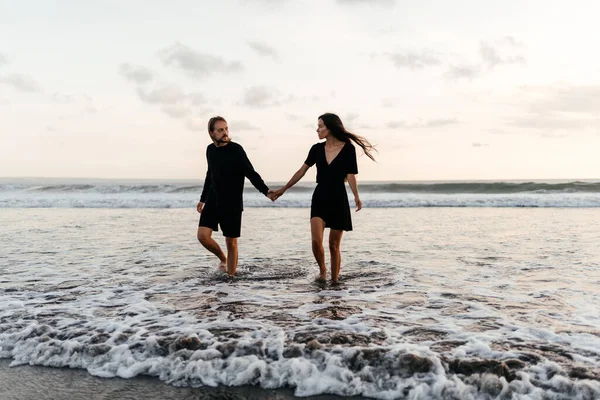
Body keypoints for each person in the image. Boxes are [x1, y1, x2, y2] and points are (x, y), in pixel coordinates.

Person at [270, 113, 376, 284]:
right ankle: (323, 271)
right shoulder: (316, 149)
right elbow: (301, 171)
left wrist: (356, 196)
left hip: (338, 199)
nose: (317, 129)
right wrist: (284, 189)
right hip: (320, 197)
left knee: (334, 246)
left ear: (330, 127)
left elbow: (350, 175)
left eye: (320, 126)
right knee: (315, 241)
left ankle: (334, 282)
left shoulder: (348, 149)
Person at [197, 116, 274, 277]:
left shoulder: (236, 150)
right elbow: (209, 175)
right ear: (211, 133)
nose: (225, 132)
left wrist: (266, 191)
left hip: (231, 202)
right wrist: (203, 198)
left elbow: (251, 173)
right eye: (220, 130)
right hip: (213, 199)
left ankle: (231, 279)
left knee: (231, 242)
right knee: (203, 236)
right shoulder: (210, 150)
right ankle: (222, 258)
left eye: (226, 128)